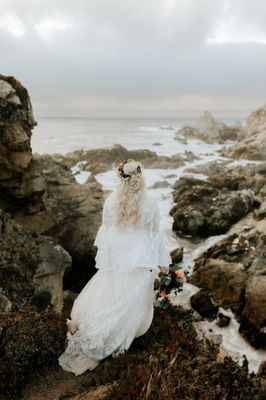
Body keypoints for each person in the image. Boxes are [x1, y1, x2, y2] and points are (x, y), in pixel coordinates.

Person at [58, 159, 171, 376]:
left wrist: (108, 259)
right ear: (140, 177)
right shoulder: (151, 203)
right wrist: (163, 262)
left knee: (110, 295)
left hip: (119, 255)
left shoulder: (111, 200)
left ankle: (89, 331)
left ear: (120, 178)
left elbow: (106, 231)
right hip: (139, 258)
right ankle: (102, 341)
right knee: (129, 301)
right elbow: (154, 234)